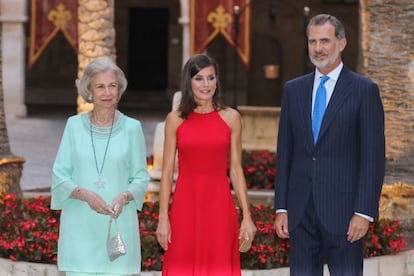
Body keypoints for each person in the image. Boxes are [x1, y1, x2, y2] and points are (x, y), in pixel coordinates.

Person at [273, 14, 385, 275]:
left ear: (342, 43)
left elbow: (373, 157)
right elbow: (285, 152)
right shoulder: (293, 90)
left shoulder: (363, 91)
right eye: (312, 41)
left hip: (345, 215)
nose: (318, 48)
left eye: (325, 40)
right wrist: (282, 207)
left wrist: (363, 212)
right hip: (300, 214)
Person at [156, 54, 257, 275]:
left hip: (219, 208)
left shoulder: (231, 117)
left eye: (211, 78)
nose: (206, 85)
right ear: (188, 82)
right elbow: (166, 174)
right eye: (199, 78)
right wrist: (163, 218)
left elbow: (237, 170)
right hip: (185, 208)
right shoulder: (175, 119)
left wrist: (247, 217)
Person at [51, 57, 150, 275]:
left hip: (117, 225)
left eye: (112, 86)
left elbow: (141, 177)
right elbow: (59, 175)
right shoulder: (73, 126)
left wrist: (123, 197)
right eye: (100, 86)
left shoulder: (133, 128)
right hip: (80, 227)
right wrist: (84, 194)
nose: (107, 93)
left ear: (119, 89)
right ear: (89, 91)